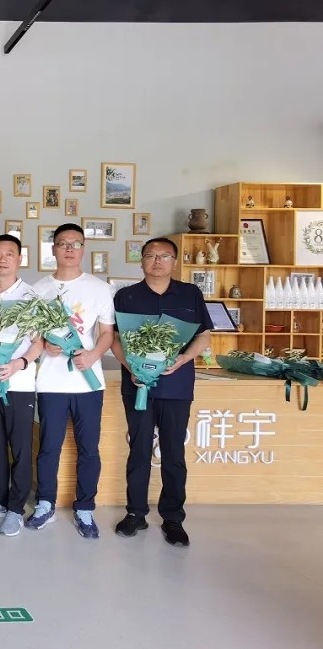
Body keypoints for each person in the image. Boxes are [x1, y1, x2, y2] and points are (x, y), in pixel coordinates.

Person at [110, 237, 212, 547]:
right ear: (141, 261)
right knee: (139, 450)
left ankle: (173, 518)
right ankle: (135, 513)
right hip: (138, 386)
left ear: (174, 262)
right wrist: (131, 367)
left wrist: (183, 358)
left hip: (176, 387)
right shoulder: (126, 296)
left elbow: (204, 336)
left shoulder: (190, 294)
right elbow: (115, 339)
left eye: (164, 256)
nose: (157, 261)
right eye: (151, 256)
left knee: (173, 453)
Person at [29, 223, 114, 539]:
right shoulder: (38, 289)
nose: (68, 249)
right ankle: (45, 504)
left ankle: (85, 508)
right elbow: (33, 336)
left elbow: (107, 333)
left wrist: (93, 355)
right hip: (51, 383)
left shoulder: (99, 288)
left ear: (83, 249)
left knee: (89, 448)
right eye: (62, 243)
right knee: (48, 447)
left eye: (75, 243)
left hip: (88, 383)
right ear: (53, 249)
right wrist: (45, 345)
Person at [0, 235, 44, 537]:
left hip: (19, 384)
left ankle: (16, 508)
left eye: (9, 254)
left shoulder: (31, 297)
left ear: (19, 259)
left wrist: (19, 363)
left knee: (20, 448)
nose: (2, 259)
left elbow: (39, 342)